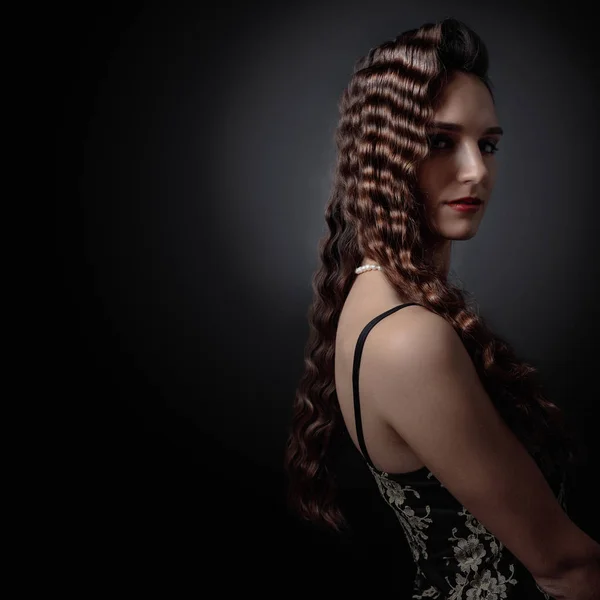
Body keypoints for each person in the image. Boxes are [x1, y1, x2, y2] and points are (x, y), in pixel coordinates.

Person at [283, 16, 600, 600]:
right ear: (383, 152)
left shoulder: (371, 294)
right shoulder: (409, 339)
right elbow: (566, 566)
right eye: (439, 141)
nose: (477, 170)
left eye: (489, 144)